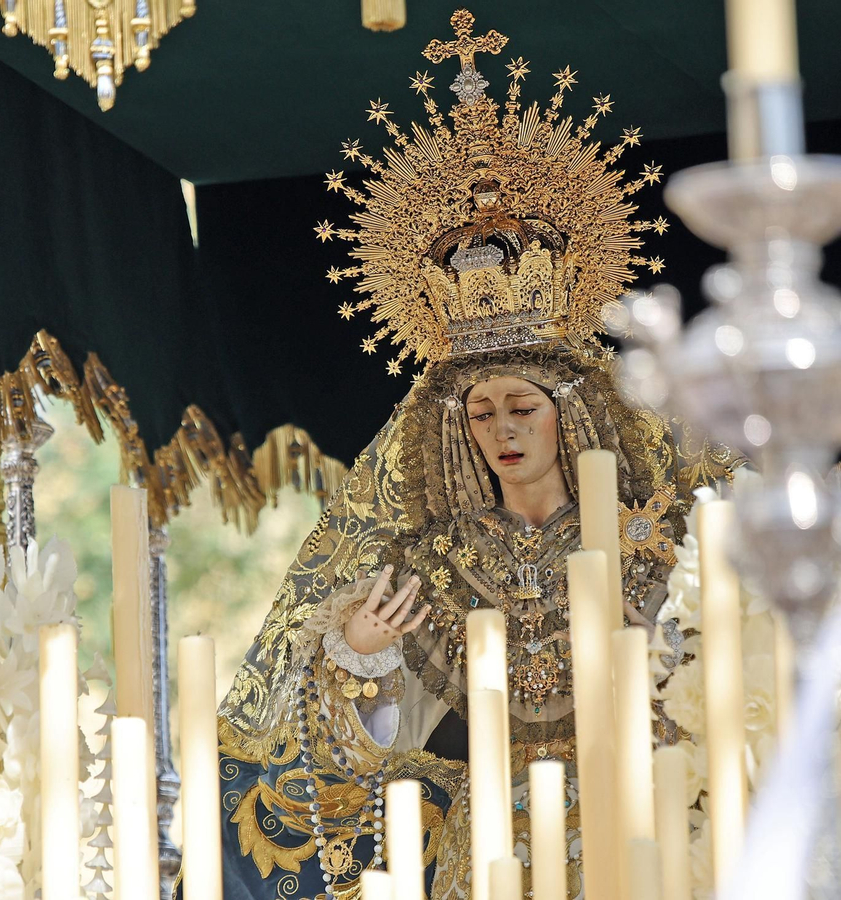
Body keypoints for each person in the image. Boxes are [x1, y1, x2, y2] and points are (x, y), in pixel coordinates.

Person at [214, 12, 735, 900]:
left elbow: (724, 681)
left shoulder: (657, 541)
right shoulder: (434, 563)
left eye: (521, 406)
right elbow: (356, 749)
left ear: (570, 416)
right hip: (483, 857)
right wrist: (358, 656)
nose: (501, 428)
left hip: (652, 837)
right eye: (481, 411)